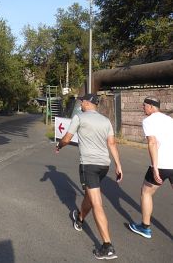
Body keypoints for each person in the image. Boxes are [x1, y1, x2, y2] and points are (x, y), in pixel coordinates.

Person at [56, 93, 122, 260]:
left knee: (97, 203)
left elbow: (67, 138)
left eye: (82, 102)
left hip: (89, 166)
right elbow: (112, 143)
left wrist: (59, 145)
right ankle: (79, 218)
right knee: (90, 196)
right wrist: (118, 165)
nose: (80, 105)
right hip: (104, 166)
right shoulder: (106, 120)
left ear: (87, 103)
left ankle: (107, 246)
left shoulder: (80, 117)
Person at [129, 96, 173, 239]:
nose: (142, 108)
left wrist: (154, 167)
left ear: (151, 107)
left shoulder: (148, 121)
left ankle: (145, 227)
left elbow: (152, 143)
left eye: (144, 106)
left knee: (146, 193)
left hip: (161, 164)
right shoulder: (170, 120)